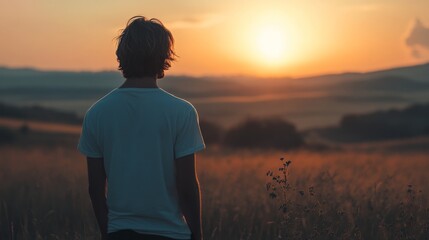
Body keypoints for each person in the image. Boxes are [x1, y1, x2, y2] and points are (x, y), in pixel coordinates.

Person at [78, 16, 205, 240]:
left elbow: (95, 189)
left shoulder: (96, 113)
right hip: (171, 234)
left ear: (122, 55)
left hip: (119, 232)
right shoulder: (182, 112)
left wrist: (107, 233)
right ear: (164, 57)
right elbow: (187, 186)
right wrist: (198, 234)